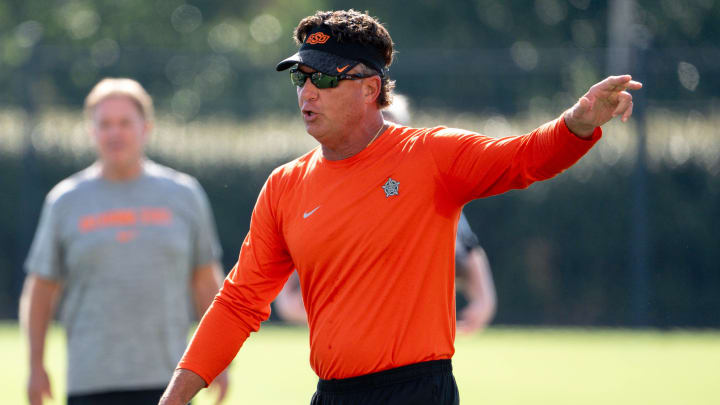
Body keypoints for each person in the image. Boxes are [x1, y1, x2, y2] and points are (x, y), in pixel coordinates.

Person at [160, 9, 641, 405]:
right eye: (301, 77)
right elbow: (239, 301)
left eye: (324, 77)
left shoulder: (429, 155)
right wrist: (175, 396)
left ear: (370, 89)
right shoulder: (284, 185)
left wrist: (578, 123)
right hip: (331, 396)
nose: (307, 91)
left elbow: (522, 160)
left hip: (417, 393)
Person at [19, 78, 229, 405]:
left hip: (172, 382)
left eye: (124, 123)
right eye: (104, 124)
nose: (114, 133)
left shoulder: (184, 195)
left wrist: (218, 359)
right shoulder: (65, 201)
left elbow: (205, 281)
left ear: (146, 127)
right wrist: (35, 365)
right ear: (91, 131)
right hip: (90, 382)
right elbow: (41, 289)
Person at [274, 96, 497, 333]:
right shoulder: (332, 190)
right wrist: (294, 303)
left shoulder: (428, 188)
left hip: (417, 332)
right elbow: (300, 255)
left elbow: (468, 249)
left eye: (390, 130)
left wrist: (483, 302)